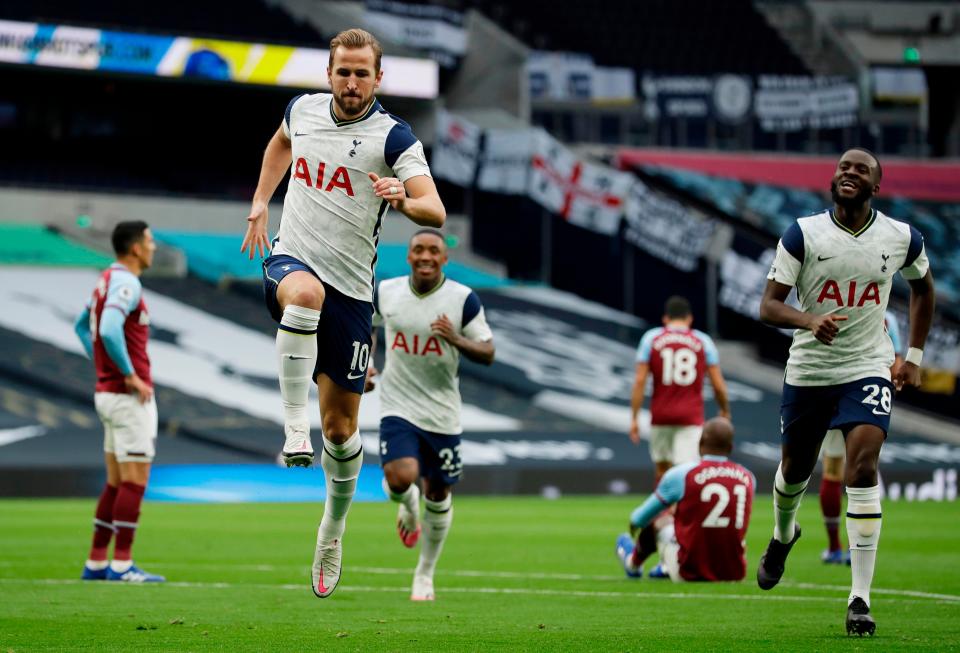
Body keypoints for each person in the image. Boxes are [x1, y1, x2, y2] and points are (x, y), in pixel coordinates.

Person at [240, 28, 445, 599]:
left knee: (343, 429)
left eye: (362, 73)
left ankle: (332, 527)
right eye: (343, 71)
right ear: (328, 73)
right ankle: (290, 426)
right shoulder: (302, 109)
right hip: (293, 260)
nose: (351, 82)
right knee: (304, 297)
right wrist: (260, 202)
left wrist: (402, 198)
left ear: (378, 79)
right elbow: (279, 143)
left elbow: (436, 209)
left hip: (354, 292)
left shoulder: (393, 137)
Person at [757, 148, 935, 636]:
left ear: (876, 187)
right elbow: (769, 307)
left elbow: (924, 289)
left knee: (863, 466)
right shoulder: (802, 233)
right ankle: (782, 534)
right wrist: (809, 319)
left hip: (867, 367)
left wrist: (913, 357)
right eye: (843, 167)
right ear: (833, 180)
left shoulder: (902, 237)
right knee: (795, 469)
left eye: (861, 170)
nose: (849, 173)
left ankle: (859, 597)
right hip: (811, 370)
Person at [365, 229, 495, 601]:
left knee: (438, 494)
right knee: (400, 476)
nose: (425, 256)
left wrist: (455, 339)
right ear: (408, 256)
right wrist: (369, 366)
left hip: (442, 412)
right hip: (398, 403)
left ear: (444, 259)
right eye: (418, 249)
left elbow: (488, 352)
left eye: (433, 251)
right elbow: (368, 326)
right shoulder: (387, 291)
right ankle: (407, 508)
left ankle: (425, 573)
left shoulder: (462, 300)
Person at [75, 221, 165, 583]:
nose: (154, 246)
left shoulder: (105, 280)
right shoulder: (126, 282)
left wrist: (103, 367)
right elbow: (109, 328)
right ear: (135, 248)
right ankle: (123, 565)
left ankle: (96, 563)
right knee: (134, 481)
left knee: (115, 482)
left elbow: (82, 327)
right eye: (149, 240)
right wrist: (128, 373)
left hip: (106, 393)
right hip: (127, 397)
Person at [615, 417, 754, 582]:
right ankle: (666, 565)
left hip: (689, 572)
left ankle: (634, 564)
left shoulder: (682, 474)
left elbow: (639, 517)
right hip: (734, 574)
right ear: (730, 447)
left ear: (700, 443)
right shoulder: (748, 477)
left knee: (662, 521)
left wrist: (634, 525)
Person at [818, 310, 904, 565]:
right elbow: (895, 361)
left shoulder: (835, 304)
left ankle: (834, 548)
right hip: (870, 396)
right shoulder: (888, 316)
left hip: (832, 390)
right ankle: (860, 548)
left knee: (833, 470)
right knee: (865, 468)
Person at [629, 296, 731, 484]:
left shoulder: (651, 338)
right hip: (690, 417)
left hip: (660, 416)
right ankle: (679, 513)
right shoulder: (703, 341)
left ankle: (664, 512)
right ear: (689, 319)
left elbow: (639, 381)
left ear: (665, 319)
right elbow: (718, 385)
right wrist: (724, 409)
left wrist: (634, 417)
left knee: (662, 470)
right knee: (685, 473)